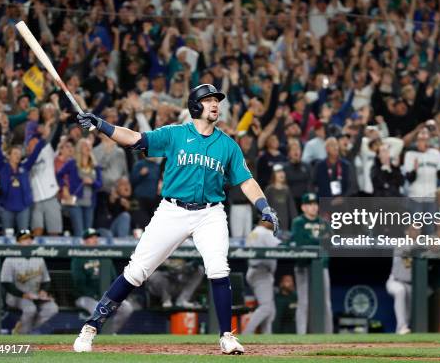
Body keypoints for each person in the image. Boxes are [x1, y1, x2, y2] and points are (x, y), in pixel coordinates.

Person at [72, 84, 279, 355]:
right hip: (172, 210)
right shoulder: (175, 134)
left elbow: (247, 181)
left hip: (210, 212)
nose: (215, 104)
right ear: (195, 106)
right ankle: (90, 327)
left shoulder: (228, 145)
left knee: (218, 268)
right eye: (208, 100)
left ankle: (226, 336)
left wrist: (263, 205)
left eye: (217, 100)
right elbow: (135, 139)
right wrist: (101, 125)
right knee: (136, 271)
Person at [71, 229, 134, 334]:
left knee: (127, 308)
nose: (95, 240)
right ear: (84, 241)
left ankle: (110, 333)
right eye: (91, 238)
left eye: (96, 237)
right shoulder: (78, 258)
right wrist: (96, 296)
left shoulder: (105, 256)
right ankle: (93, 335)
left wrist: (109, 295)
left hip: (105, 296)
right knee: (97, 309)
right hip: (85, 297)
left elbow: (114, 279)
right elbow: (79, 283)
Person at [0, 229, 59, 334]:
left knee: (53, 308)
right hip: (16, 297)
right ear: (18, 242)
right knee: (30, 309)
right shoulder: (10, 258)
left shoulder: (39, 258)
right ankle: (23, 334)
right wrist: (23, 295)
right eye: (24, 239)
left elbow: (46, 280)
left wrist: (43, 291)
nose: (28, 241)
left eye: (30, 239)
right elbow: (6, 283)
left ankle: (22, 330)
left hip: (35, 295)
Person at [290, 192, 333, 334]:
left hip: (321, 266)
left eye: (315, 204)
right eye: (310, 204)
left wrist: (313, 239)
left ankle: (329, 335)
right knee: (303, 302)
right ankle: (301, 335)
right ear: (303, 207)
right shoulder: (298, 222)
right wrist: (319, 240)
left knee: (325, 302)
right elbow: (300, 242)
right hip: (303, 266)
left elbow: (330, 243)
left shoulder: (324, 223)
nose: (313, 207)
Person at [0, 123, 46, 234]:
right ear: (9, 155)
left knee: (23, 236)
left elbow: (35, 154)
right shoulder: (3, 167)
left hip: (23, 208)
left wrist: (43, 138)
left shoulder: (24, 167)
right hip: (6, 207)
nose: (18, 155)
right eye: (15, 153)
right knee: (7, 237)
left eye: (19, 153)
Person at [56, 138, 103, 238]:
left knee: (88, 232)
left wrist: (92, 182)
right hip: (75, 202)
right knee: (79, 231)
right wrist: (64, 187)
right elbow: (59, 175)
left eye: (89, 145)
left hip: (90, 203)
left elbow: (100, 185)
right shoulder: (72, 163)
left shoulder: (95, 165)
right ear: (80, 148)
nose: (88, 147)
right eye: (85, 145)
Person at [243, 219, 281, 335]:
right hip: (261, 272)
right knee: (266, 308)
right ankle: (246, 334)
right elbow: (280, 246)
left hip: (254, 270)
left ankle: (266, 337)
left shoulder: (254, 232)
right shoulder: (264, 232)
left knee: (271, 311)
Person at [386, 224, 420, 335]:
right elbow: (409, 253)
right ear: (406, 231)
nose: (416, 231)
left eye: (418, 229)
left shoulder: (420, 245)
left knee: (428, 292)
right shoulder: (401, 243)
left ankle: (405, 329)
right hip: (395, 281)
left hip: (411, 284)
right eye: (413, 229)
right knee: (400, 291)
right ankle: (401, 327)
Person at [264, 164, 297, 234]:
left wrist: (295, 222)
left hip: (284, 224)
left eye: (282, 172)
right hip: (271, 225)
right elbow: (265, 208)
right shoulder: (269, 189)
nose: (281, 174)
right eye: (278, 172)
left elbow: (292, 209)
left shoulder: (287, 190)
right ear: (274, 175)